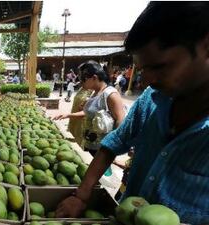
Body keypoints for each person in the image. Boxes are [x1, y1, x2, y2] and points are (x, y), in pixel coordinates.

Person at [55, 2, 209, 224]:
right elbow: (112, 144)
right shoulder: (151, 100)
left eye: (160, 67)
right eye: (143, 69)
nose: (147, 80)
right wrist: (81, 195)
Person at [53, 61, 126, 157]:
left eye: (83, 79)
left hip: (102, 148)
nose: (80, 82)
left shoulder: (111, 94)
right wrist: (68, 115)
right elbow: (87, 113)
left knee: (101, 171)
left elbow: (120, 122)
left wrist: (111, 149)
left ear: (94, 78)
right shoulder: (94, 93)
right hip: (89, 143)